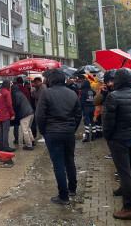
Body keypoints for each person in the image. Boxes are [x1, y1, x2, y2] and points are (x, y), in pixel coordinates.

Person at [102, 68, 131, 220]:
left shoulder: (113, 97)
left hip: (118, 140)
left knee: (124, 173)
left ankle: (128, 207)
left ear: (118, 80)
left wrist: (108, 137)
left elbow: (108, 123)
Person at [35, 68, 82, 205]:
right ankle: (72, 188)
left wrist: (43, 131)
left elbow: (39, 115)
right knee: (69, 160)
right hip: (68, 132)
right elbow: (79, 113)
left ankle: (63, 196)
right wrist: (72, 128)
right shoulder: (72, 94)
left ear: (51, 80)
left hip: (52, 133)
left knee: (58, 164)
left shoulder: (46, 94)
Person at [12, 79, 35, 150]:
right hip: (30, 112)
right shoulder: (20, 93)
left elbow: (16, 105)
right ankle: (32, 141)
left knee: (24, 130)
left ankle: (29, 145)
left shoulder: (15, 95)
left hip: (24, 114)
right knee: (28, 128)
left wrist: (14, 113)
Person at [94, 69, 117, 140]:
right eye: (108, 82)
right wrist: (102, 93)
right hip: (109, 128)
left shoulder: (125, 89)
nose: (110, 84)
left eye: (112, 81)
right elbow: (96, 102)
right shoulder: (105, 90)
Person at [0, 80, 15, 152]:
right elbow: (9, 104)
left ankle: (1, 146)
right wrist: (12, 114)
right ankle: (6, 147)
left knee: (1, 131)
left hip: (0, 114)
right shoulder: (7, 92)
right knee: (6, 131)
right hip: (6, 114)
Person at [79, 77, 97, 142]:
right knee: (93, 121)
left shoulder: (83, 92)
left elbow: (81, 101)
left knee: (86, 122)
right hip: (93, 108)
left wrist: (81, 109)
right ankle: (94, 136)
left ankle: (87, 136)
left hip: (86, 108)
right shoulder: (93, 92)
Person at [31, 77, 47, 141]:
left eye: (35, 83)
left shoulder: (42, 87)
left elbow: (39, 96)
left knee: (42, 121)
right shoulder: (41, 87)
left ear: (37, 82)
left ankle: (44, 136)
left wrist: (33, 92)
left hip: (41, 107)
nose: (35, 84)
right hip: (40, 106)